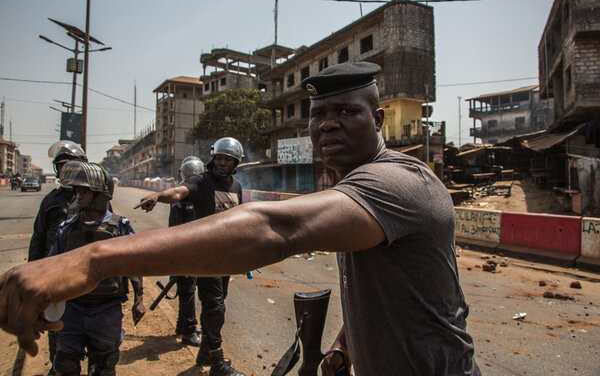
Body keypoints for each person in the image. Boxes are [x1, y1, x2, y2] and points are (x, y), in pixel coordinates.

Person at [0, 62, 480, 376]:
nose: (326, 123)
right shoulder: (353, 188)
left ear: (378, 120)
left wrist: (96, 259)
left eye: (344, 111)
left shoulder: (397, 182)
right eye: (318, 113)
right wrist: (344, 346)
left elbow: (276, 228)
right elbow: (387, 289)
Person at [136, 139, 244, 376]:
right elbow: (178, 192)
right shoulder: (202, 181)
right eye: (219, 158)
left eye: (227, 159)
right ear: (213, 158)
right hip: (206, 258)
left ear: (236, 162)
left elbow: (240, 220)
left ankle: (206, 352)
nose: (222, 162)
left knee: (218, 305)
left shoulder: (236, 186)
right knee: (215, 308)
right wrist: (157, 197)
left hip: (227, 259)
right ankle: (217, 363)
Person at [48, 161, 145, 376]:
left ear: (101, 195)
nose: (79, 195)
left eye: (86, 191)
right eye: (77, 191)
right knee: (64, 364)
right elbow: (52, 264)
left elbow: (135, 263)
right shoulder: (67, 228)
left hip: (106, 310)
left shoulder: (120, 226)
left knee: (104, 365)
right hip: (72, 309)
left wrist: (139, 299)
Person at [28, 141, 87, 376]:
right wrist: (33, 276)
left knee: (88, 326)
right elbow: (38, 239)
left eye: (70, 166)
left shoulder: (94, 197)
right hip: (54, 276)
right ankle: (57, 367)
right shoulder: (50, 201)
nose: (66, 172)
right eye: (61, 167)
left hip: (85, 275)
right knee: (56, 325)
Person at [168, 156, 205, 347]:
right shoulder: (180, 201)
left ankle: (182, 325)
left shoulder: (195, 197)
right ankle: (189, 331)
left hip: (193, 253)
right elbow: (176, 232)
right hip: (184, 254)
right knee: (188, 291)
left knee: (187, 291)